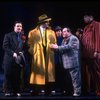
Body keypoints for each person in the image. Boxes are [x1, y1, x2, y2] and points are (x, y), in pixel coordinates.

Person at [28, 14, 57, 95]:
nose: (48, 23)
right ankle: (36, 90)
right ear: (42, 22)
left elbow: (55, 42)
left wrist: (53, 49)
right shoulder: (32, 32)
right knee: (38, 72)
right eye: (47, 21)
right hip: (38, 54)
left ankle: (48, 90)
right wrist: (33, 51)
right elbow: (29, 43)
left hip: (48, 53)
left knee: (49, 72)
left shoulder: (52, 32)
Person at [50, 27, 81, 96]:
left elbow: (68, 47)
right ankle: (70, 91)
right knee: (69, 80)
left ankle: (77, 92)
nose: (62, 33)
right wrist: (54, 48)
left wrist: (57, 47)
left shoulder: (73, 38)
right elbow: (61, 49)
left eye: (64, 31)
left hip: (73, 62)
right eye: (63, 32)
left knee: (75, 79)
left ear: (69, 32)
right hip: (66, 63)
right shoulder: (64, 40)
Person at [2, 21, 26, 96]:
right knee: (8, 75)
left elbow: (25, 47)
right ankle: (7, 91)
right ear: (14, 27)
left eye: (20, 26)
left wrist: (22, 52)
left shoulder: (22, 37)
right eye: (18, 26)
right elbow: (5, 46)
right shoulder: (8, 35)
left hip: (18, 60)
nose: (19, 27)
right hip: (9, 59)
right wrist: (12, 53)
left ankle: (16, 91)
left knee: (17, 76)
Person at [81, 14, 100, 96]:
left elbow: (98, 37)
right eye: (84, 17)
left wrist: (97, 50)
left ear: (91, 17)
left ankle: (98, 89)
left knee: (96, 72)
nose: (84, 19)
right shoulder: (86, 27)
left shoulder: (97, 24)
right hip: (85, 54)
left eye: (86, 17)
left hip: (93, 53)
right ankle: (88, 90)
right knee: (87, 73)